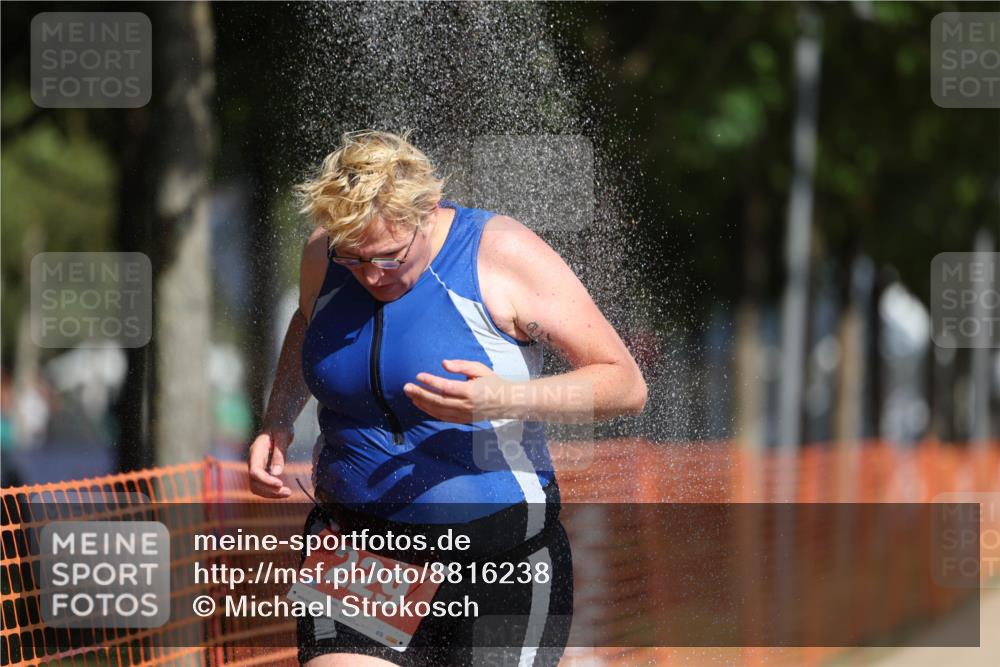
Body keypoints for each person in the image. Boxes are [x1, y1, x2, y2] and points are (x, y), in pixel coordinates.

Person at [247, 130, 647, 667]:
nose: (371, 275)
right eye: (355, 259)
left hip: (500, 559)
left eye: (389, 257)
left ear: (428, 213)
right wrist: (278, 420)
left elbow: (624, 384)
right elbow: (307, 320)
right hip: (361, 549)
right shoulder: (326, 252)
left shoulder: (500, 253)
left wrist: (506, 399)